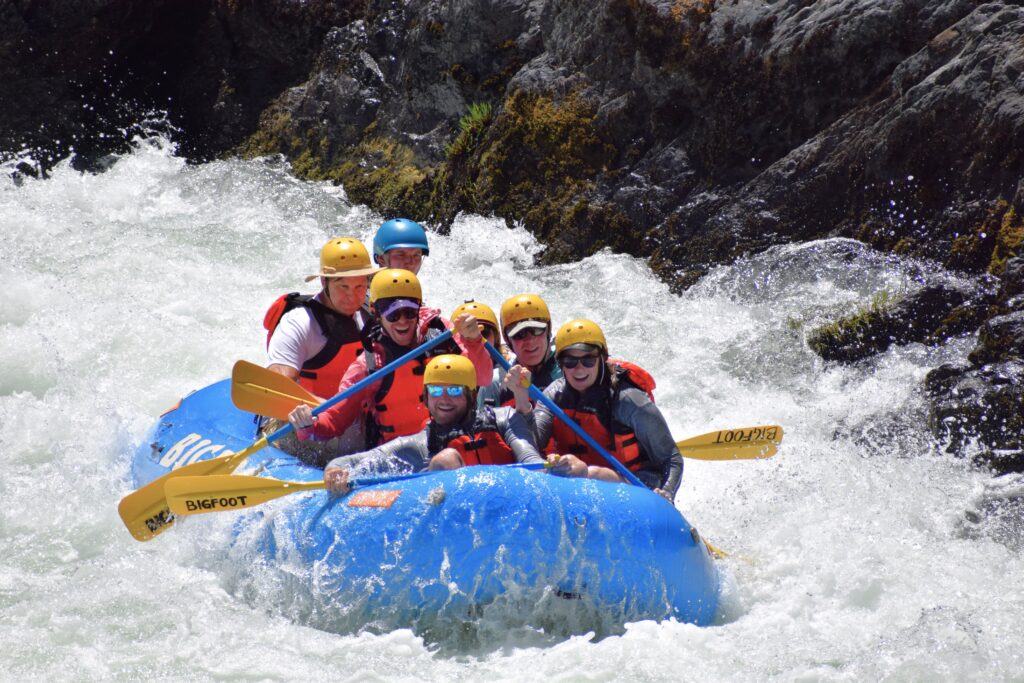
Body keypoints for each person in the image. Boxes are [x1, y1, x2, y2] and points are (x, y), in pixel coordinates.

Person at [286, 269, 492, 454]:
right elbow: (336, 420)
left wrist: (474, 341)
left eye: (409, 311)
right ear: (376, 313)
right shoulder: (370, 364)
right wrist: (308, 426)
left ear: (419, 309)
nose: (402, 320)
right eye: (392, 313)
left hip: (459, 443)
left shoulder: (443, 335)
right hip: (403, 456)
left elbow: (483, 378)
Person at [304, 355, 542, 494]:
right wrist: (334, 472)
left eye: (455, 391)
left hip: (511, 504)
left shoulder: (504, 418)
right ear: (426, 397)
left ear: (471, 395)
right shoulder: (418, 444)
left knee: (574, 466)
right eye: (436, 390)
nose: (444, 399)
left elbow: (533, 463)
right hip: (457, 526)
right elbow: (348, 462)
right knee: (445, 459)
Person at [533, 319, 683, 502]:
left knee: (593, 474)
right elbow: (535, 440)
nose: (579, 368)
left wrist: (667, 493)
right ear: (561, 364)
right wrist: (522, 403)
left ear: (602, 359)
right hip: (575, 478)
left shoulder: (629, 401)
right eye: (570, 361)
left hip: (637, 483)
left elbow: (671, 458)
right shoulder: (553, 395)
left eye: (588, 360)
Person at [264, 237, 380, 400]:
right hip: (312, 417)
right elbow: (276, 388)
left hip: (364, 414)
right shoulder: (299, 322)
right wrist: (328, 411)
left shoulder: (374, 312)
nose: (352, 296)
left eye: (359, 286)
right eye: (343, 286)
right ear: (324, 281)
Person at [481, 293, 563, 408]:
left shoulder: (571, 370)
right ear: (507, 340)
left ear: (548, 331)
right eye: (519, 334)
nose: (530, 340)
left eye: (537, 330)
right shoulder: (495, 381)